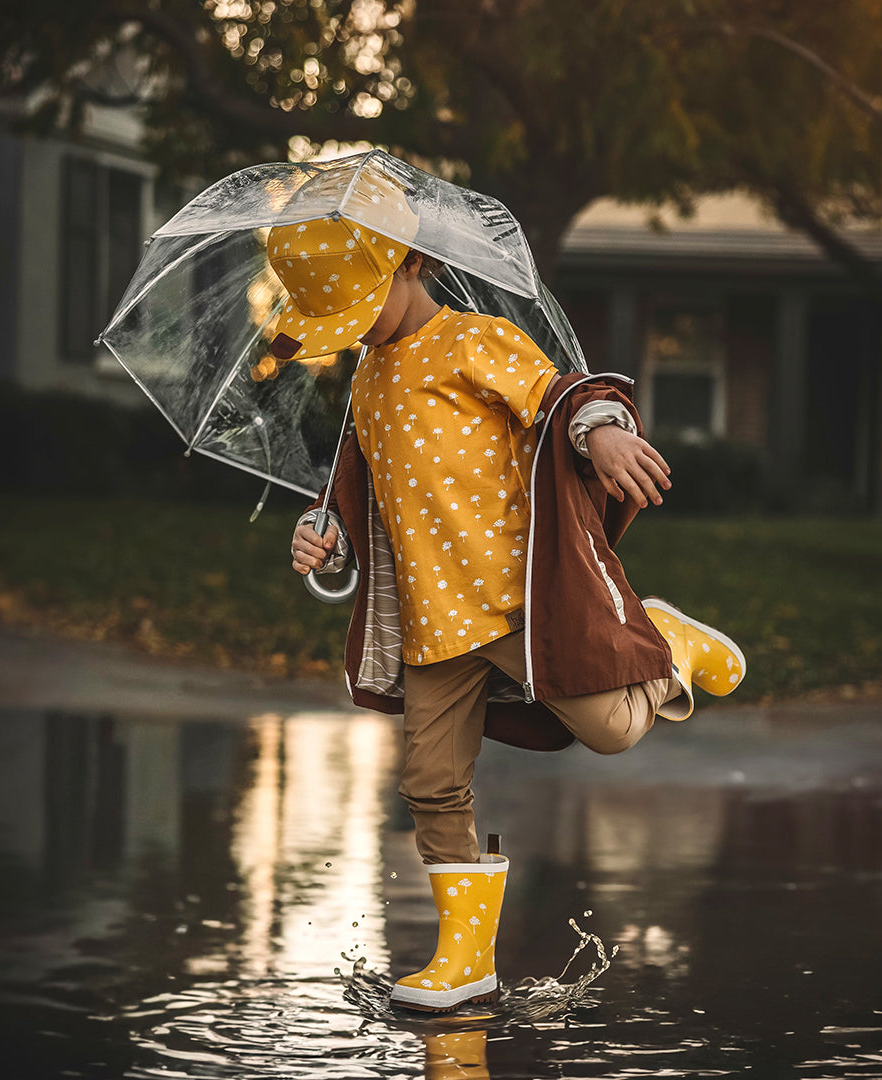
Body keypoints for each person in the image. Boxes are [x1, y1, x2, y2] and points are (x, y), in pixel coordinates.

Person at [270, 175, 746, 1013]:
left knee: (609, 732)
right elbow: (357, 491)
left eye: (360, 307)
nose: (354, 334)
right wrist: (328, 537)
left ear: (411, 261)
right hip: (431, 621)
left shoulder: (474, 344)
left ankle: (667, 642)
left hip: (519, 604)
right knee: (430, 781)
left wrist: (600, 434)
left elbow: (565, 394)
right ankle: (466, 960)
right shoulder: (367, 382)